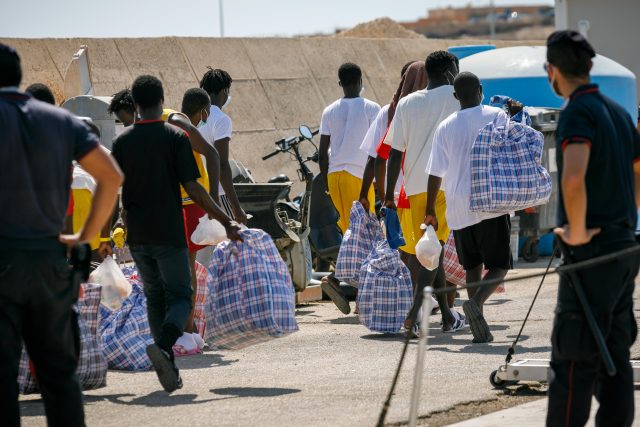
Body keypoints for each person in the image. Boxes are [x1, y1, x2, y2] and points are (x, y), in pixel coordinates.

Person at [0, 43, 123, 426]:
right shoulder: (59, 121)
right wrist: (85, 238)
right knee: (59, 376)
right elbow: (111, 176)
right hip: (51, 263)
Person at [111, 75, 242, 393]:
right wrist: (224, 219)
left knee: (157, 293)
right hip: (170, 224)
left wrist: (112, 228)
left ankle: (170, 351)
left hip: (145, 230)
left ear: (135, 105)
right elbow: (194, 186)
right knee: (181, 292)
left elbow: (115, 189)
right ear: (161, 98)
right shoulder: (172, 136)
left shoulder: (124, 141)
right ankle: (170, 343)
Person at [543, 30, 640, 427]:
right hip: (622, 247)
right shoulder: (618, 112)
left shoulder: (577, 112)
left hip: (592, 252)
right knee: (613, 353)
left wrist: (579, 230)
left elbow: (572, 178)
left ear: (553, 71)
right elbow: (637, 172)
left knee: (573, 359)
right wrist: (626, 216)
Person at [424, 72, 511, 343]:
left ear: (455, 97)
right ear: (481, 90)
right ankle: (477, 304)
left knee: (472, 266)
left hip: (458, 207)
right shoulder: (497, 115)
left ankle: (478, 325)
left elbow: (435, 173)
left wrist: (430, 211)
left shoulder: (445, 126)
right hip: (491, 203)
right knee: (499, 265)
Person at [383, 51, 462, 335]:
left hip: (412, 188)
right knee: (430, 254)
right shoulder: (457, 96)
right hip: (442, 187)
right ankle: (413, 316)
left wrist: (388, 194)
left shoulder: (407, 102)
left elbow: (394, 153)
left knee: (430, 252)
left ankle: (447, 316)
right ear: (451, 70)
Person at [162, 88, 221, 355]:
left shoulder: (175, 121)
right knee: (186, 268)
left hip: (189, 203)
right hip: (185, 203)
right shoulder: (176, 120)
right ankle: (191, 332)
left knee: (184, 270)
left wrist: (214, 201)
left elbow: (213, 153)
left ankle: (186, 332)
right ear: (204, 111)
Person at [318, 62, 380, 314]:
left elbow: (322, 152)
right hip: (360, 177)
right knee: (368, 236)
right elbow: (377, 150)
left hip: (336, 177)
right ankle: (355, 292)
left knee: (350, 233)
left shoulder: (329, 110)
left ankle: (337, 277)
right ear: (360, 80)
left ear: (340, 83)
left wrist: (326, 183)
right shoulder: (371, 108)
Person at [198, 68, 247, 224]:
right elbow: (222, 165)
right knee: (232, 242)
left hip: (196, 192)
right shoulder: (221, 119)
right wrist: (236, 208)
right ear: (224, 91)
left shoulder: (192, 117)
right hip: (217, 194)